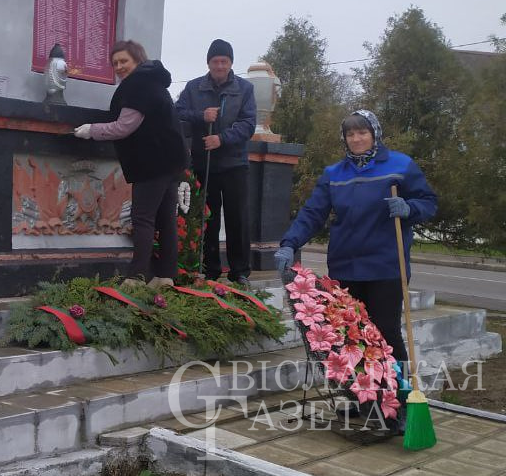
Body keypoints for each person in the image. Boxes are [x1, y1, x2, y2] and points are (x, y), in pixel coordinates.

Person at [274, 109, 438, 432]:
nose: (356, 138)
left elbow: (429, 202)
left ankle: (400, 403)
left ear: (374, 134)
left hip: (386, 267)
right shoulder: (335, 174)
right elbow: (312, 213)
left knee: (386, 336)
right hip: (346, 267)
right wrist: (289, 243)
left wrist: (410, 208)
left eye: (362, 132)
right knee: (350, 339)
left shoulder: (400, 166)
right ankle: (365, 400)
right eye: (350, 134)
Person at [74, 40, 187, 287]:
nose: (119, 67)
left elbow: (124, 127)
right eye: (115, 63)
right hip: (171, 161)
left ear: (138, 60)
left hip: (152, 162)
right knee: (166, 220)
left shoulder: (138, 85)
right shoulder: (154, 82)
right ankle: (166, 276)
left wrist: (91, 130)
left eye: (124, 61)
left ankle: (136, 278)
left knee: (143, 219)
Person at [175, 39, 256, 287]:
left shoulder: (245, 89)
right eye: (215, 61)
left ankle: (239, 270)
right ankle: (210, 267)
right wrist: (201, 116)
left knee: (237, 218)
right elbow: (177, 112)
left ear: (231, 63)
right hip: (204, 163)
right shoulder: (194, 88)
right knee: (207, 218)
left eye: (224, 61)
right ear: (208, 63)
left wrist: (221, 139)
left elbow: (248, 124)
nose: (219, 66)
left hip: (234, 163)